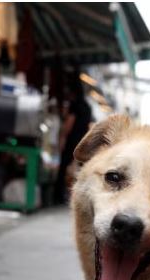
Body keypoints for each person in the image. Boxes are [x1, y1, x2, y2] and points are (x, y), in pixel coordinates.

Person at [54, 77, 92, 205]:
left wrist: (61, 139)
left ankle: (58, 195)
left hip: (72, 141)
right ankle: (83, 197)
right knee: (83, 171)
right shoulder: (87, 106)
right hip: (83, 142)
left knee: (63, 167)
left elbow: (68, 125)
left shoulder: (75, 105)